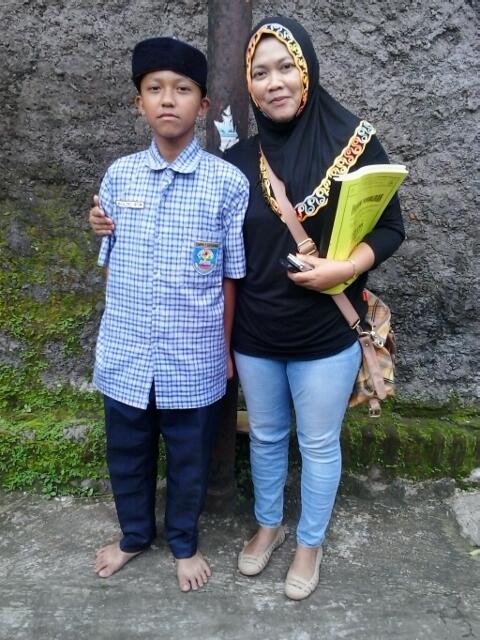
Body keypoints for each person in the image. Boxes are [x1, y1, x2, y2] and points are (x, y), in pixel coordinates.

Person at [90, 17, 405, 600]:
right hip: (256, 337)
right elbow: (218, 256)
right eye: (260, 73)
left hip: (324, 333)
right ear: (249, 86)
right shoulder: (237, 163)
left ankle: (308, 544)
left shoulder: (355, 144)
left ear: (306, 71)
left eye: (286, 67)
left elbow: (390, 227)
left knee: (317, 444)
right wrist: (107, 219)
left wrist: (344, 268)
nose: (274, 82)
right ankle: (267, 526)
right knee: (264, 437)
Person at [91, 36, 249, 593]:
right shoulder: (119, 177)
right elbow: (111, 264)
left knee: (188, 460)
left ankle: (184, 542)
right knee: (126, 453)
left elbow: (231, 276)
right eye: (154, 89)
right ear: (139, 102)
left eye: (182, 89)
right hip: (127, 353)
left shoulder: (228, 184)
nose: (167, 99)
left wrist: (224, 351)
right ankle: (134, 535)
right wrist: (98, 223)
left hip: (193, 355)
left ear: (202, 105)